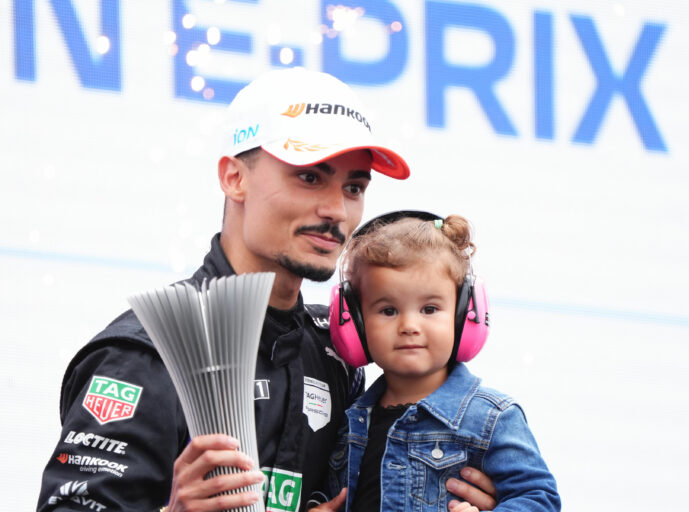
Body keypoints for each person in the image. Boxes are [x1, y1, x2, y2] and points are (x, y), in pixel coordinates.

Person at [37, 68, 498, 512]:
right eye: (310, 177)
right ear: (234, 178)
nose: (336, 210)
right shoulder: (149, 353)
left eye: (354, 187)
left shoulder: (335, 354)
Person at [310, 211, 561, 512]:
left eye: (429, 309)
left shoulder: (491, 418)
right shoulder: (350, 420)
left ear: (463, 315)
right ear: (356, 323)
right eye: (388, 311)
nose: (409, 326)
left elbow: (539, 498)